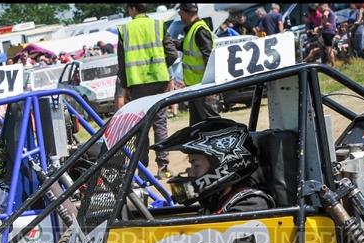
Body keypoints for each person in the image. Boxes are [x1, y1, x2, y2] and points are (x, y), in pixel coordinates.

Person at [152, 118, 274, 215]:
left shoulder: (251, 205)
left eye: (196, 165)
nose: (190, 172)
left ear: (223, 166)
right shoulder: (214, 202)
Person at [117, 3, 178, 179]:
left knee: (142, 127)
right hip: (159, 81)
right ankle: (163, 167)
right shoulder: (158, 25)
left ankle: (143, 171)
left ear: (133, 9)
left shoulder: (124, 29)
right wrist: (160, 67)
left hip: (137, 83)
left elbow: (122, 64)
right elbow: (172, 54)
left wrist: (126, 86)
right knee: (160, 124)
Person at [179, 3, 219, 125]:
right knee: (198, 127)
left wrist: (211, 88)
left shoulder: (199, 30)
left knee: (214, 124)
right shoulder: (193, 29)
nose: (180, 16)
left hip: (204, 88)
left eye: (180, 13)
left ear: (185, 13)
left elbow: (209, 58)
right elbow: (185, 47)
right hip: (195, 87)